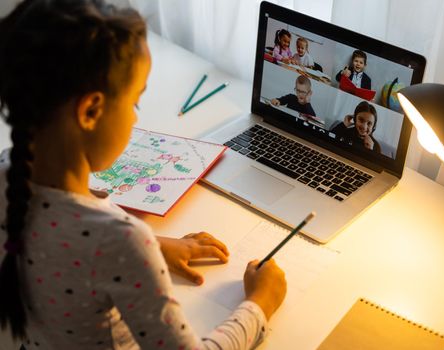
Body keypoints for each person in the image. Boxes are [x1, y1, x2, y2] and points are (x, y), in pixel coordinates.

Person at [0, 1, 286, 349]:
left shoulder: (7, 178)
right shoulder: (120, 241)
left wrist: (157, 247)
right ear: (91, 110)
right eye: (135, 102)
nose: (136, 119)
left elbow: (61, 246)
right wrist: (259, 304)